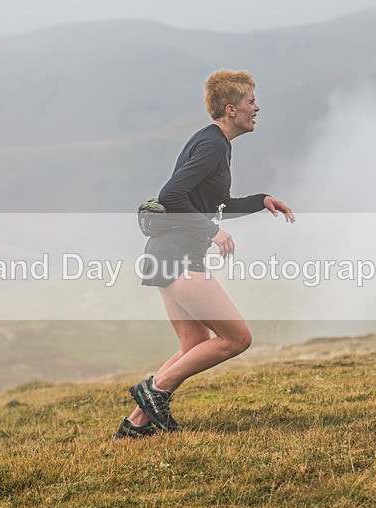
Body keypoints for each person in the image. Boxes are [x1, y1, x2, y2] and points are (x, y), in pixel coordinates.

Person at [113, 69, 295, 439]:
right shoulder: (212, 144)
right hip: (176, 254)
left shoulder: (214, 143)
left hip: (166, 252)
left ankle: (135, 425)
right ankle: (154, 394)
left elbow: (216, 202)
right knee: (237, 338)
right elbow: (171, 196)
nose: (256, 108)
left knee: (194, 345)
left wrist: (261, 201)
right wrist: (212, 231)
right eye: (250, 102)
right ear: (231, 109)